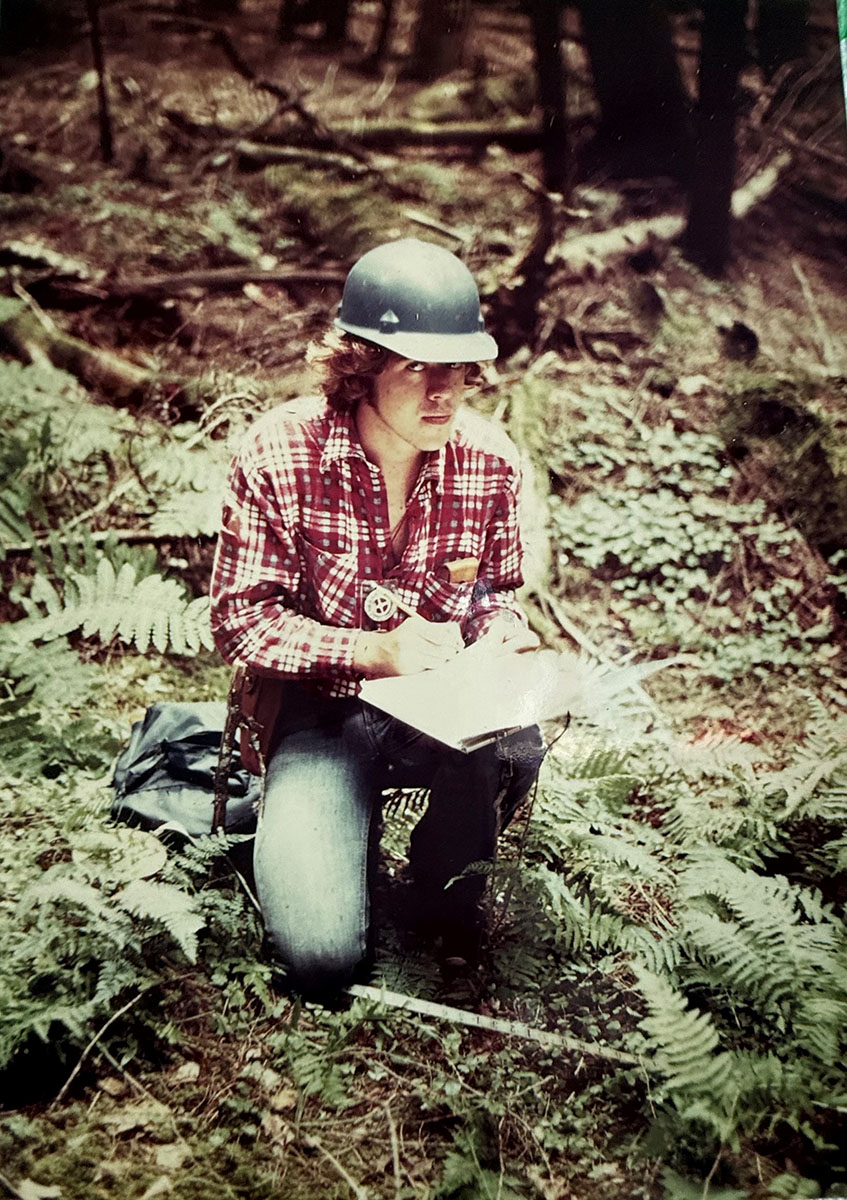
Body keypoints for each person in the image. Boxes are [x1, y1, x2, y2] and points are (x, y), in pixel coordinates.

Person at [210, 238, 546, 996]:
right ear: (359, 366)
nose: (443, 394)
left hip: (441, 718)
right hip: (319, 715)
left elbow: (494, 594)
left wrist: (499, 633)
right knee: (320, 959)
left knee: (515, 743)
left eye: (457, 370)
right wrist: (370, 652)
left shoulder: (490, 463)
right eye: (415, 368)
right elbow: (239, 623)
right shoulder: (280, 451)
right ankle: (324, 830)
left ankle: (445, 893)